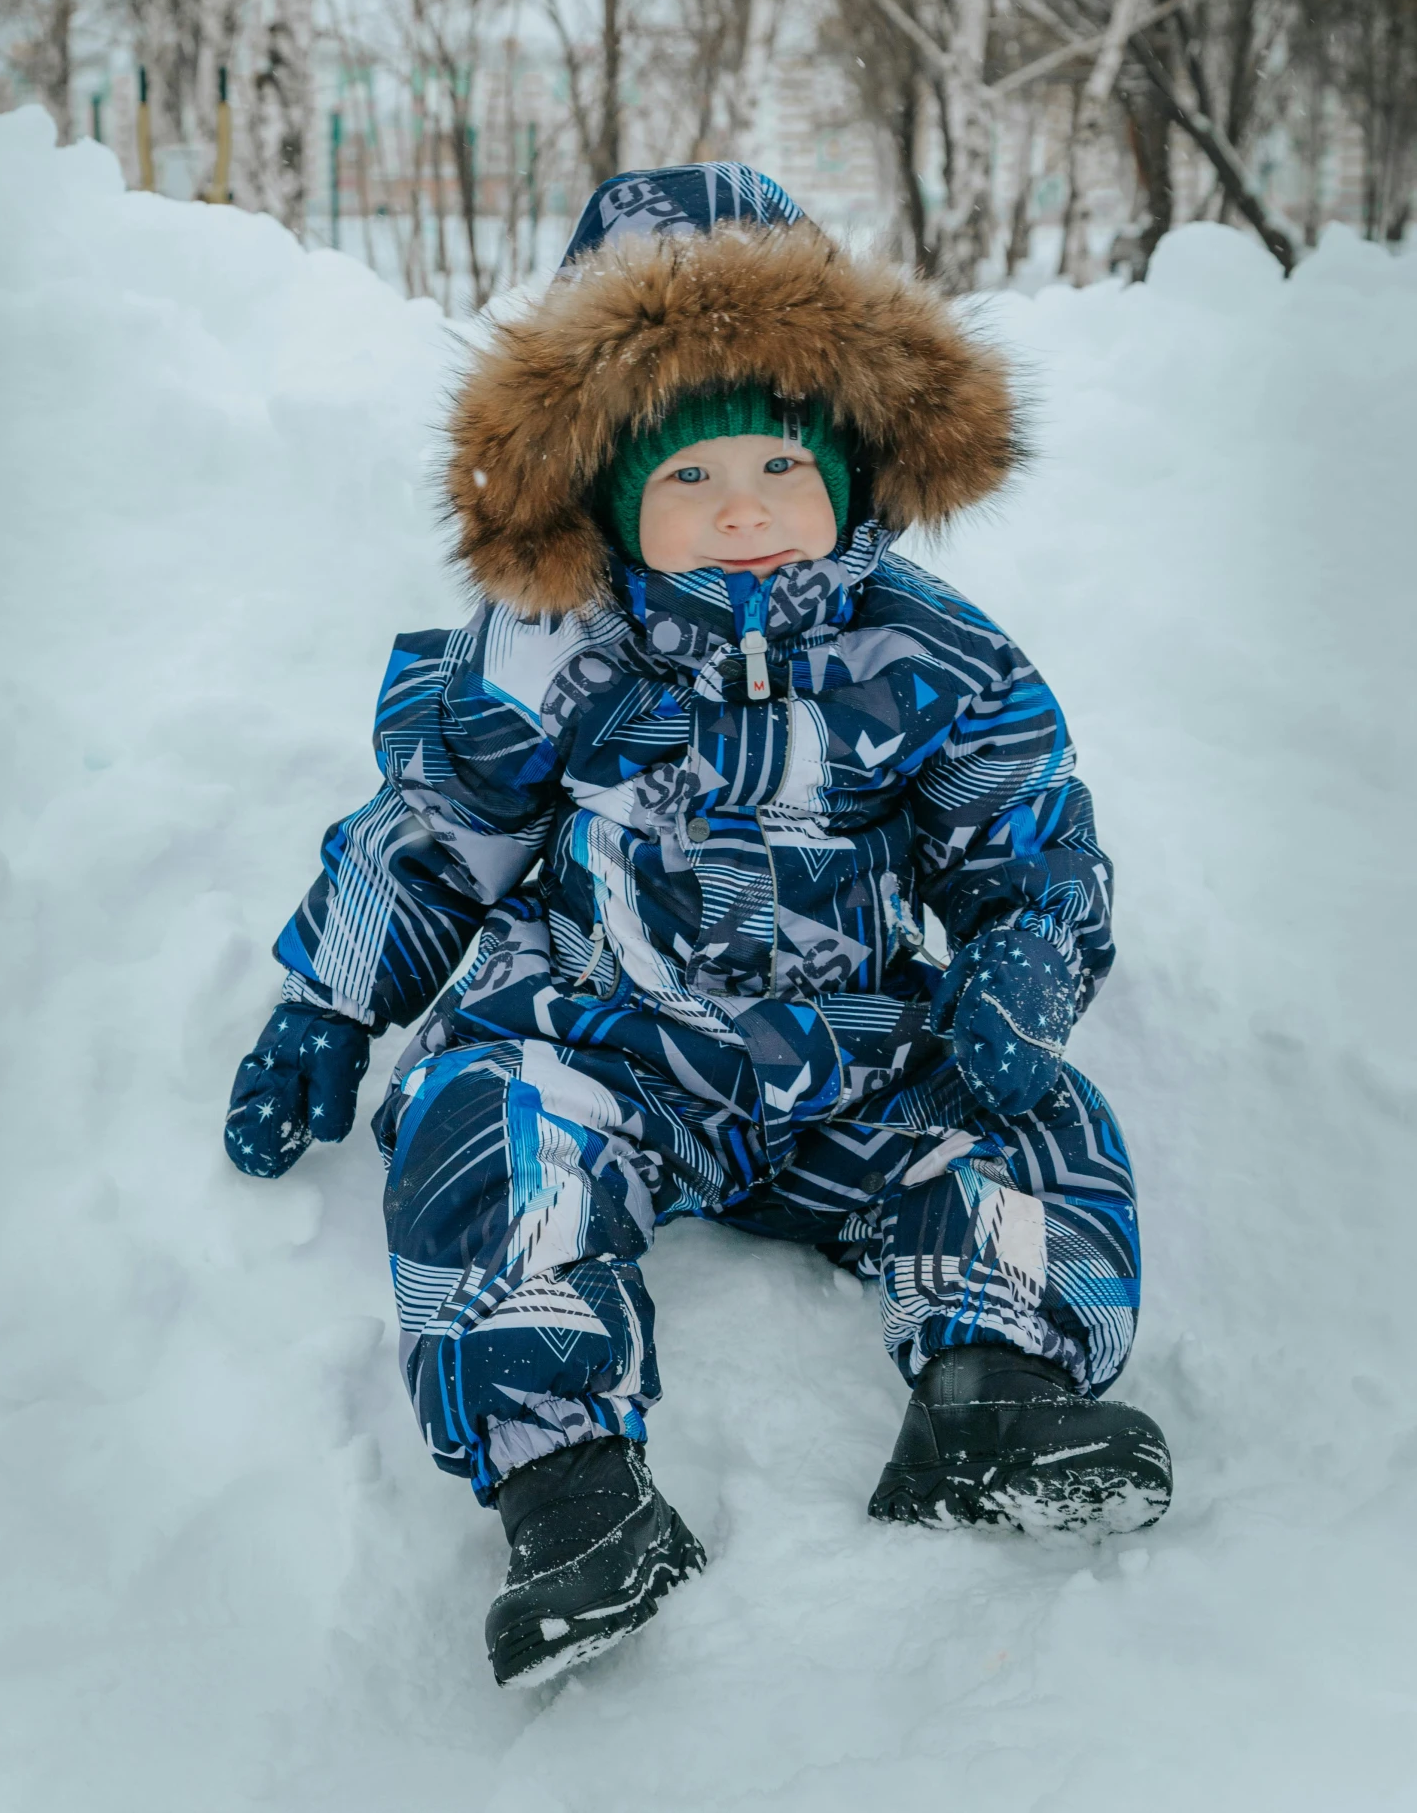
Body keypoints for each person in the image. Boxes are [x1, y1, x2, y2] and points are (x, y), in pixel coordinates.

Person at [224, 163, 1172, 1688]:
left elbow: (1028, 834)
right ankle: (570, 1490)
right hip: (606, 1037)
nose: (739, 509)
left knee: (1027, 1122)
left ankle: (993, 1382)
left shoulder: (930, 655)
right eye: (683, 476)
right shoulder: (544, 657)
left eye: (777, 466)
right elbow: (434, 834)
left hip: (843, 1051)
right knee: (488, 1140)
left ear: (852, 469)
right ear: (601, 490)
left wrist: (1024, 955)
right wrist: (328, 1003)